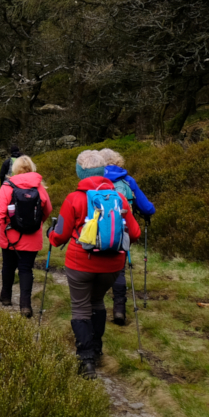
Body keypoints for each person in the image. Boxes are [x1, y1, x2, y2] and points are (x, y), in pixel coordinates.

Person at [49, 149, 142, 379]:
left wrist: (51, 235)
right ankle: (97, 350)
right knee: (98, 302)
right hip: (112, 265)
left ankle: (86, 359)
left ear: (80, 172)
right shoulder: (118, 197)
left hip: (80, 263)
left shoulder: (74, 198)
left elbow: (59, 236)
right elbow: (136, 233)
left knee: (80, 307)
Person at [0, 155, 52, 318]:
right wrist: (38, 223)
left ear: (15, 169)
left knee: (8, 266)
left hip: (10, 236)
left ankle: (5, 296)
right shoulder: (39, 188)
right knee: (26, 269)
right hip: (32, 237)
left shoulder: (8, 187)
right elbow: (47, 209)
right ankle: (25, 305)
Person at [98, 148, 157, 325]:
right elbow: (147, 208)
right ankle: (119, 310)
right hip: (121, 232)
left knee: (94, 267)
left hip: (97, 233)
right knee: (119, 270)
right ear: (118, 162)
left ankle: (94, 305)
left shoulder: (94, 181)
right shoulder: (127, 181)